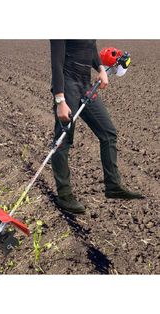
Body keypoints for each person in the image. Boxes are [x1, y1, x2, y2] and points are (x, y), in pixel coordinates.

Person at [50, 40, 144, 214]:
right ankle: (64, 194)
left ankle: (113, 185)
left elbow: (90, 47)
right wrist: (60, 100)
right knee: (63, 140)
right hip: (68, 85)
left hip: (85, 84)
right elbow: (56, 63)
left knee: (108, 133)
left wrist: (100, 68)